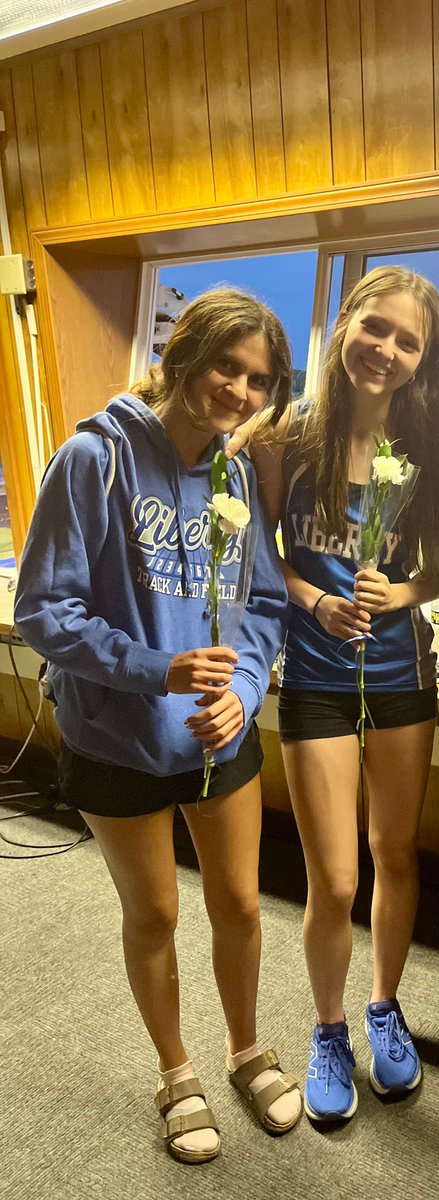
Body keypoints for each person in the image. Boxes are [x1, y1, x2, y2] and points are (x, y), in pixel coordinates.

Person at [14, 289, 302, 1164]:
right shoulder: (93, 460)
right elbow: (43, 609)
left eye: (259, 380)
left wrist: (245, 689)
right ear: (184, 357)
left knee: (242, 905)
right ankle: (176, 1070)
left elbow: (261, 602)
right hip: (118, 738)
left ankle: (246, 1049)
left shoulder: (236, 472)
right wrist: (156, 669)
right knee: (156, 912)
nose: (240, 392)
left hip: (219, 736)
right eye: (227, 366)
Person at [250, 266, 439, 1122]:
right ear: (345, 326)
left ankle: (382, 1006)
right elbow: (265, 553)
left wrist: (394, 596)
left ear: (423, 357)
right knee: (334, 882)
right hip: (315, 680)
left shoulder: (430, 447)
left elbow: (438, 573)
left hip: (402, 678)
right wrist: (317, 600)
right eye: (376, 328)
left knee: (395, 856)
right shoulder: (285, 436)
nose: (388, 350)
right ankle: (329, 1028)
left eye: (408, 341)